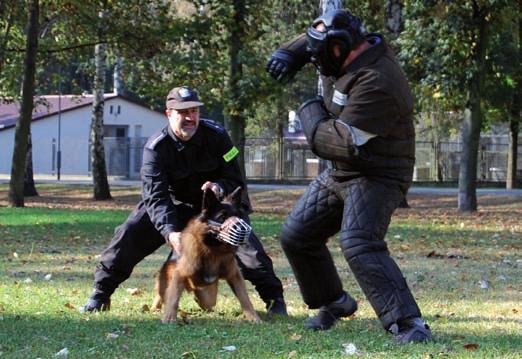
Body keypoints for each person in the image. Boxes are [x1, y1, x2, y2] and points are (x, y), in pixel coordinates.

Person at [266, 9, 432, 343]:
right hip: (346, 170)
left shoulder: (378, 80)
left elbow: (337, 142)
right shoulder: (337, 51)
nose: (313, 59)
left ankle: (409, 323)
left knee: (359, 243)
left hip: (379, 172)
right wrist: (289, 51)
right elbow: (317, 38)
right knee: (297, 235)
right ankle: (334, 301)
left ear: (340, 48)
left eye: (317, 53)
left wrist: (309, 112)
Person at [81, 85, 287, 318]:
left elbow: (235, 177)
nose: (190, 118)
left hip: (214, 210)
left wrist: (219, 187)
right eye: (183, 112)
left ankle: (275, 300)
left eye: (194, 111)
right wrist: (169, 232)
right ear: (169, 114)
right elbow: (155, 196)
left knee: (247, 245)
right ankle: (100, 294)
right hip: (172, 206)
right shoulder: (155, 148)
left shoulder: (218, 137)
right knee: (129, 233)